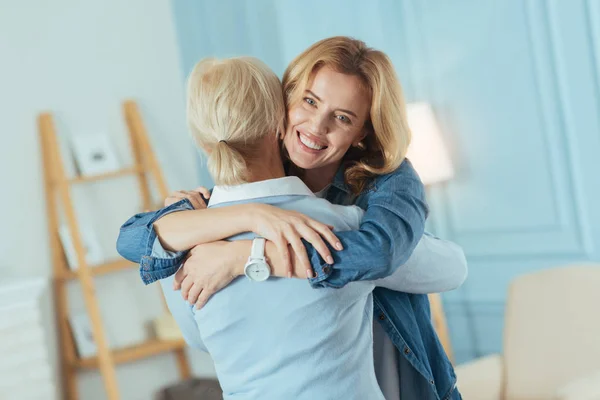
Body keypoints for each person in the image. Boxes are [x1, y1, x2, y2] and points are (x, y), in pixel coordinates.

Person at [118, 37, 465, 399]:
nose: (316, 126)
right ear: (283, 106)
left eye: (342, 117)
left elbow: (412, 261)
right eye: (310, 102)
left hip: (403, 381)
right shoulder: (213, 219)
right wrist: (252, 216)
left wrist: (247, 256)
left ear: (362, 130)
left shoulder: (381, 187)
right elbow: (131, 239)